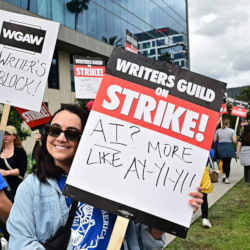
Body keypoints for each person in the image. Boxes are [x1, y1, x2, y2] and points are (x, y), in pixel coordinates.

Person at [7, 104, 203, 250]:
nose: (61, 138)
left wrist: (174, 209)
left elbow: (143, 243)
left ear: (87, 138)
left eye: (72, 133)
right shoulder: (31, 188)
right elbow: (20, 243)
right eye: (55, 130)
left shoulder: (116, 184)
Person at [0, 125, 27, 201]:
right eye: (4, 134)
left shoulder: (20, 152)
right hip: (2, 189)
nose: (5, 136)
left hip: (16, 189)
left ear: (14, 136)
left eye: (8, 134)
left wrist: (6, 172)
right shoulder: (0, 150)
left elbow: (22, 170)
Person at [214, 119, 237, 184]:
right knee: (228, 163)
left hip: (221, 147)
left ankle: (224, 174)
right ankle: (227, 178)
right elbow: (234, 141)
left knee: (223, 162)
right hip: (229, 147)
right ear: (228, 124)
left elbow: (215, 140)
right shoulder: (232, 131)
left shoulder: (218, 131)